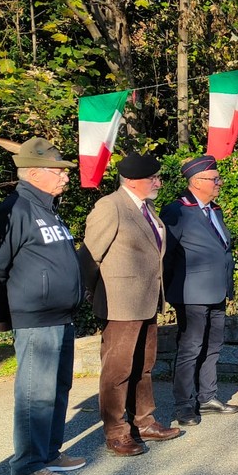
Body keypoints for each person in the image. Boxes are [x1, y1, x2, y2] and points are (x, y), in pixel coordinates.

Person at [0, 137, 86, 475]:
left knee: (56, 389)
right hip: (36, 318)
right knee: (34, 393)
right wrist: (7, 313)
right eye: (59, 171)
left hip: (60, 315)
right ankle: (25, 467)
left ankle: (49, 452)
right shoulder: (17, 208)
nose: (66, 177)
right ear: (35, 173)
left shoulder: (47, 207)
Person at [79, 153, 181, 456]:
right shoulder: (110, 207)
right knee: (117, 370)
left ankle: (144, 421)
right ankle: (116, 431)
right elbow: (88, 257)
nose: (159, 182)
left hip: (147, 301)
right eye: (154, 178)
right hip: (120, 304)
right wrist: (93, 293)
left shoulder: (146, 207)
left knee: (144, 366)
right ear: (133, 181)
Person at [160, 155, 238, 426]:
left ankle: (207, 397)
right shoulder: (177, 210)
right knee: (190, 348)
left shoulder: (214, 209)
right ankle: (184, 404)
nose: (219, 182)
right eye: (214, 178)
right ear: (196, 182)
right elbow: (166, 254)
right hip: (190, 293)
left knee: (214, 346)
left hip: (217, 290)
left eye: (218, 178)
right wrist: (170, 289)